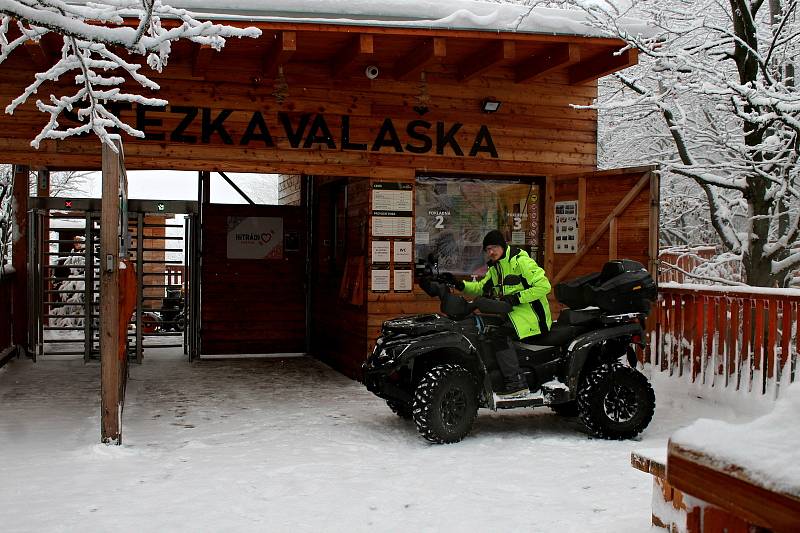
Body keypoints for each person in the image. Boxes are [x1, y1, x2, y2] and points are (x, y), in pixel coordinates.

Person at [443, 230, 552, 398]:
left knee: (499, 335)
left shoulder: (520, 261)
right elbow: (480, 287)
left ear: (502, 246)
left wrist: (517, 298)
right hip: (512, 315)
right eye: (487, 249)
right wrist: (458, 284)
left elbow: (544, 286)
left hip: (532, 317)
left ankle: (516, 382)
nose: (491, 252)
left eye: (493, 247)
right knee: (485, 330)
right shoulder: (496, 267)